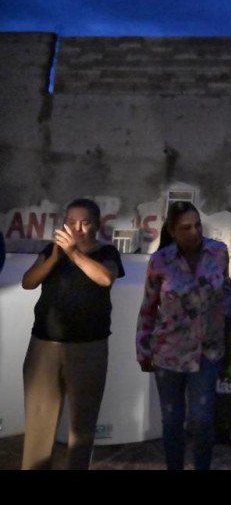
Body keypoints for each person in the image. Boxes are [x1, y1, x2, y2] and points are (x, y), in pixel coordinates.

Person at [20, 197, 125, 469]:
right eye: (70, 222)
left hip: (88, 348)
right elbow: (28, 282)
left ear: (97, 225)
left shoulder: (107, 253)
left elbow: (105, 278)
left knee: (82, 425)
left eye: (84, 223)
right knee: (38, 422)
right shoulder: (51, 250)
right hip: (44, 345)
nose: (77, 228)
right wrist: (55, 257)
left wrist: (74, 254)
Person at [136, 200, 231, 470]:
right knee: (172, 420)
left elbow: (224, 295)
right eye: (186, 228)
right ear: (172, 230)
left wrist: (221, 333)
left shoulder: (218, 252)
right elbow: (148, 307)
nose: (194, 232)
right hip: (169, 352)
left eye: (197, 225)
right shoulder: (160, 261)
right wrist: (142, 348)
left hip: (206, 351)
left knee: (202, 419)